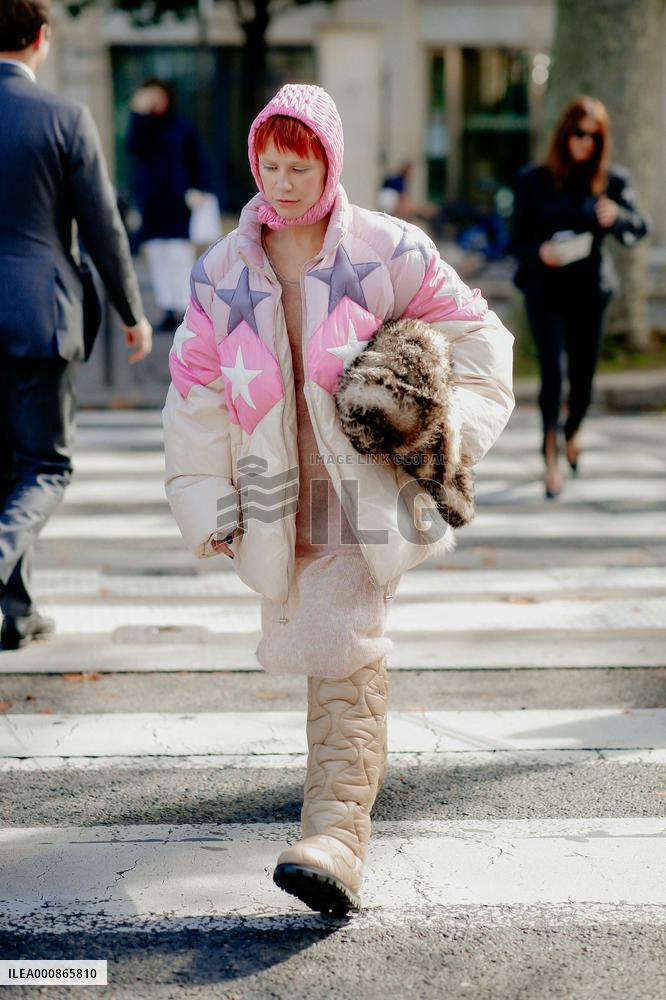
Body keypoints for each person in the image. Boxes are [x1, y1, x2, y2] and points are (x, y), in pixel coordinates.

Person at [162, 84, 514, 915]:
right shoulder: (223, 272)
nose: (282, 183)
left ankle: (335, 836)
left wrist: (438, 435)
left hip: (365, 492)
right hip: (276, 494)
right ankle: (331, 812)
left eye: (300, 164)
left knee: (345, 647)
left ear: (330, 160)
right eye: (269, 165)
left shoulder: (385, 250)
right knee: (314, 647)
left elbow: (482, 343)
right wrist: (209, 501)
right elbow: (196, 394)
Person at [0, 0, 152, 651]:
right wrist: (133, 313)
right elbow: (102, 227)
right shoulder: (65, 117)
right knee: (45, 466)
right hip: (39, 314)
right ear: (40, 38)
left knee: (7, 468)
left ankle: (18, 612)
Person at [512, 95, 648, 498]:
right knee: (553, 373)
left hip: (590, 292)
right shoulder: (532, 180)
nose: (585, 142)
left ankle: (572, 431)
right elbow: (515, 241)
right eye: (579, 133)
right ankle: (550, 458)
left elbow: (641, 227)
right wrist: (539, 252)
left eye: (594, 136)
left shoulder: (612, 182)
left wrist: (617, 216)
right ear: (564, 133)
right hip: (545, 290)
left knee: (584, 381)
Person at [126, 78, 213, 332]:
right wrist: (138, 113)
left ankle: (187, 309)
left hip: (177, 202)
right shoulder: (144, 127)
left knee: (178, 255)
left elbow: (198, 159)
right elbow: (133, 145)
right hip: (152, 203)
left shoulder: (182, 127)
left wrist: (200, 189)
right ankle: (167, 308)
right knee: (157, 255)